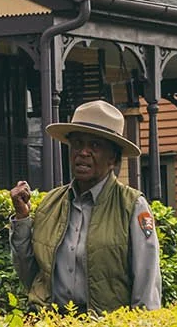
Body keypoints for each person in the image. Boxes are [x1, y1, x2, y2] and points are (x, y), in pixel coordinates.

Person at [9, 97, 161, 313]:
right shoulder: (50, 203)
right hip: (51, 324)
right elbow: (31, 276)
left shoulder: (133, 206)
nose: (83, 152)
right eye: (78, 144)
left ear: (113, 158)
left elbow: (147, 282)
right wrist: (22, 219)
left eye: (95, 145)